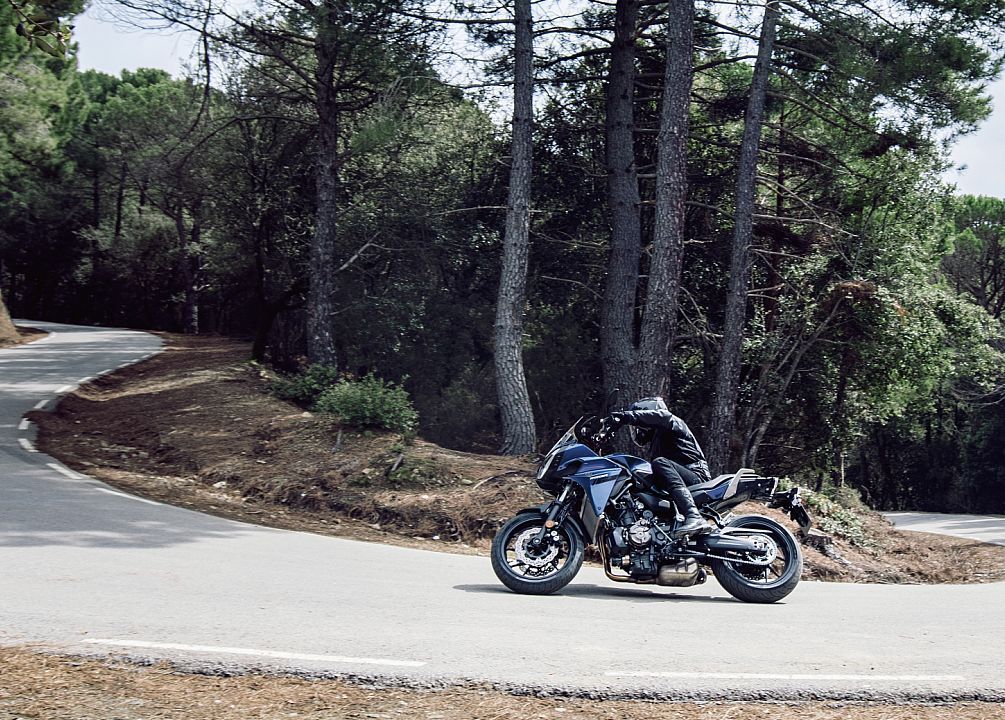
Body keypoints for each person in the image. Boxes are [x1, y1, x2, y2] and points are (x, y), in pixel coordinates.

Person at [604, 397, 712, 536]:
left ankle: (694, 516)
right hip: (680, 478)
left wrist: (627, 417)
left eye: (639, 426)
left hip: (697, 476)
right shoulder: (658, 440)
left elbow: (662, 417)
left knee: (659, 463)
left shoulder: (672, 423)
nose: (638, 430)